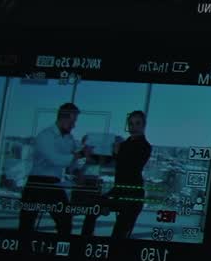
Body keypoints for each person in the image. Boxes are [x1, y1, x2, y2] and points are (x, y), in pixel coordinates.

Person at [18, 102, 91, 237]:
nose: (74, 125)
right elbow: (56, 159)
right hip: (37, 183)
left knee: (65, 220)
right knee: (26, 223)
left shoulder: (69, 139)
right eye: (72, 121)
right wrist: (79, 154)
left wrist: (79, 165)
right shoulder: (45, 136)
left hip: (54, 183)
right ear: (63, 118)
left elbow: (72, 162)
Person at [81, 111, 152, 241]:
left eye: (137, 123)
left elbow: (131, 166)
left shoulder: (145, 147)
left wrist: (116, 152)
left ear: (143, 125)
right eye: (131, 124)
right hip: (118, 191)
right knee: (92, 209)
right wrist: (88, 153)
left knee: (119, 236)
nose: (133, 127)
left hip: (132, 196)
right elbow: (106, 160)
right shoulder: (123, 144)